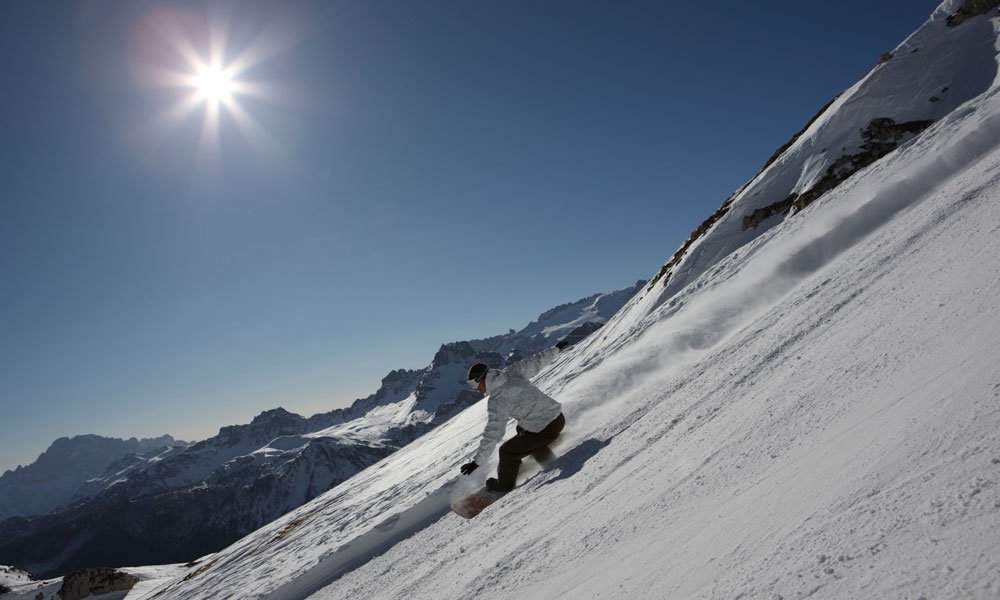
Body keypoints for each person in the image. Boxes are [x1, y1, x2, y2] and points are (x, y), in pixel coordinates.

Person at [459, 342, 568, 493]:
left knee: (506, 451)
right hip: (558, 418)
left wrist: (476, 462)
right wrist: (556, 349)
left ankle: (504, 486)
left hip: (544, 429)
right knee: (521, 429)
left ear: (480, 379)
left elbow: (493, 433)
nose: (476, 390)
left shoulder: (497, 399)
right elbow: (535, 362)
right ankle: (542, 453)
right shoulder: (511, 372)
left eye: (473, 384)